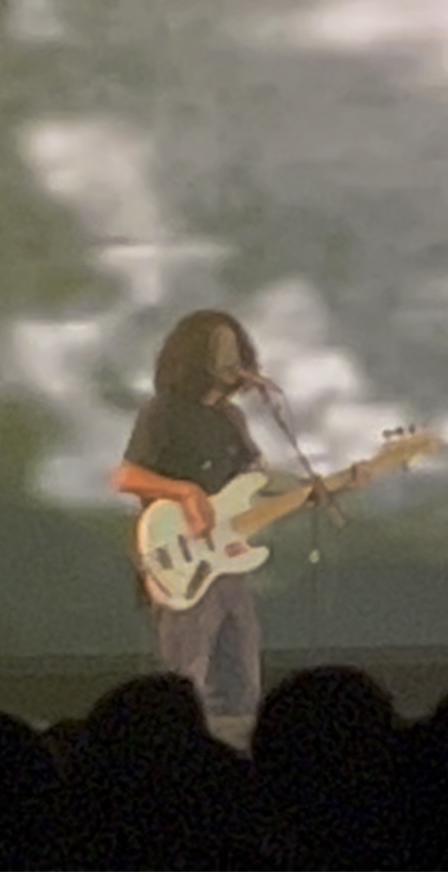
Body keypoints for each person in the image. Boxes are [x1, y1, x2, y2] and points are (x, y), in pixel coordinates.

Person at [111, 310, 275, 733]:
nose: (232, 357)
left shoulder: (232, 420)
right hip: (179, 559)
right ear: (196, 355)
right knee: (186, 679)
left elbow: (249, 486)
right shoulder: (163, 411)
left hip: (226, 559)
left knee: (241, 683)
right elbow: (127, 476)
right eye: (222, 348)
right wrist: (184, 491)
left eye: (236, 347)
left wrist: (341, 480)